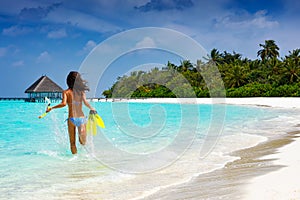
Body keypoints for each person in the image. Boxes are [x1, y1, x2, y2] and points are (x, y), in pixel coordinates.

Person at [46, 71, 95, 154]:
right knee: (83, 141)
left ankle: (75, 160)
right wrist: (92, 108)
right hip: (81, 118)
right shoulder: (81, 92)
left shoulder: (66, 92)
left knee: (72, 143)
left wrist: (52, 107)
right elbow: (85, 102)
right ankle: (81, 158)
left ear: (68, 81)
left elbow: (63, 104)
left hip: (71, 119)